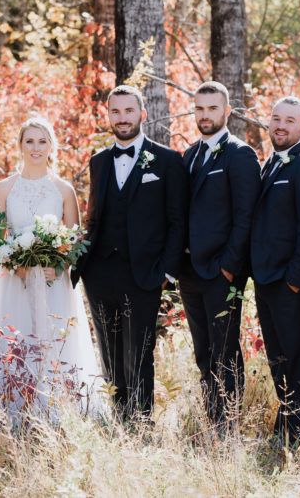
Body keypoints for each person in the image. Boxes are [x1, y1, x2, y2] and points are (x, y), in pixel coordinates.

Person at [74, 85, 186, 420]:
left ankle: (141, 421)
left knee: (139, 352)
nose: (122, 119)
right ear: (108, 115)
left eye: (128, 111)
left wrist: (167, 271)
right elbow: (94, 217)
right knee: (109, 352)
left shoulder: (167, 160)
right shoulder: (99, 162)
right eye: (116, 112)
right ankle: (119, 417)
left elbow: (178, 221)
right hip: (100, 273)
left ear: (142, 114)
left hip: (145, 272)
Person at [0, 117, 106, 422]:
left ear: (52, 146)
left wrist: (59, 265)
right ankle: (12, 411)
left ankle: (59, 412)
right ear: (20, 146)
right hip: (14, 280)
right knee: (16, 340)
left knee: (55, 340)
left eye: (42, 141)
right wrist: (16, 264)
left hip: (54, 282)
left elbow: (75, 238)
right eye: (29, 141)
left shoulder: (62, 189)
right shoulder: (4, 188)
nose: (36, 148)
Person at [178, 81, 260, 429]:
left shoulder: (240, 154)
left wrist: (230, 267)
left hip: (221, 272)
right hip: (190, 271)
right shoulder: (189, 154)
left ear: (226, 111)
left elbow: (246, 215)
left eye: (212, 108)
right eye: (199, 109)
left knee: (225, 350)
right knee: (203, 352)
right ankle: (212, 418)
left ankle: (228, 425)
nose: (205, 115)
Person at [250, 96, 300, 443]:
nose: (280, 125)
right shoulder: (271, 163)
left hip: (291, 283)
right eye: (275, 118)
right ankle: (286, 425)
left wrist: (296, 281)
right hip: (266, 280)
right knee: (278, 358)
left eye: (289, 120)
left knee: (297, 357)